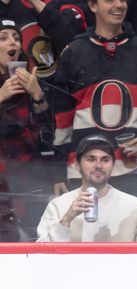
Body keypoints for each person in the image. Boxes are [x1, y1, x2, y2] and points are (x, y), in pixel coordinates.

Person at [50, 0, 137, 227]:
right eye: (110, 0)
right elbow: (62, 120)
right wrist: (58, 171)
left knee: (135, 244)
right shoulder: (74, 52)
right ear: (93, 5)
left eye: (123, 0)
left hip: (135, 170)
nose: (119, 5)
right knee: (85, 243)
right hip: (84, 172)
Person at [36, 134, 137, 242]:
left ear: (113, 165)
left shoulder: (135, 207)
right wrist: (67, 219)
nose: (98, 165)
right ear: (77, 165)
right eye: (91, 159)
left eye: (105, 160)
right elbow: (40, 257)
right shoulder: (58, 206)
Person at [0, 18, 53, 240]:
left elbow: (47, 135)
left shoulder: (33, 80)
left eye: (17, 38)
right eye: (3, 38)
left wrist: (38, 96)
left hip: (29, 180)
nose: (13, 42)